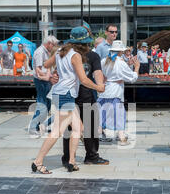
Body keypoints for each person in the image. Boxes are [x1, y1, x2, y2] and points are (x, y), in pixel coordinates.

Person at [31, 26, 105, 174]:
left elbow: (45, 65)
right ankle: (37, 161)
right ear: (82, 44)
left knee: (79, 128)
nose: (87, 46)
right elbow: (83, 79)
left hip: (61, 93)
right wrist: (98, 87)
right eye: (86, 44)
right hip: (65, 95)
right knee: (57, 131)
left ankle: (71, 161)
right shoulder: (75, 56)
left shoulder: (60, 52)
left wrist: (53, 74)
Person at [62, 23, 110, 167]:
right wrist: (99, 87)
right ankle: (89, 156)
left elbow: (97, 72)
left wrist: (99, 85)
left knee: (71, 129)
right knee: (87, 128)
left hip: (72, 97)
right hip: (83, 95)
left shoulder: (66, 55)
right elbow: (97, 74)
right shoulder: (88, 55)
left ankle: (70, 158)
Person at [98, 40, 140, 146]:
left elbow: (104, 73)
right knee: (119, 114)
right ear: (121, 51)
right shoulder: (120, 63)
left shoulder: (104, 61)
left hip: (105, 89)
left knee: (102, 113)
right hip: (116, 90)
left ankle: (97, 134)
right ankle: (121, 136)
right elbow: (132, 78)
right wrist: (137, 68)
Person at [28, 36, 59, 136]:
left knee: (46, 104)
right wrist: (49, 77)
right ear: (49, 43)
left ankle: (38, 125)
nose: (54, 47)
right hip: (42, 81)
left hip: (46, 81)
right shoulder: (40, 52)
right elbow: (38, 71)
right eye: (53, 45)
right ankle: (33, 126)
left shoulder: (45, 52)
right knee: (42, 104)